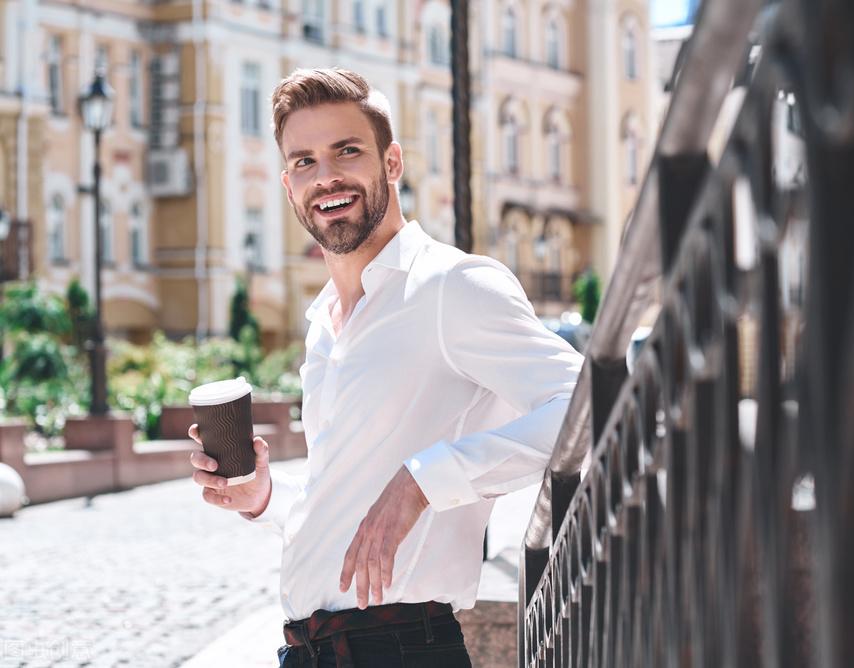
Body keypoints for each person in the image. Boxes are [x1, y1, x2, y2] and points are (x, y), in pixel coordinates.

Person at [188, 67, 583, 667]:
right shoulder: (324, 322)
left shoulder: (453, 285)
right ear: (288, 185)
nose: (326, 177)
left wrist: (425, 480)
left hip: (401, 649)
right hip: (307, 650)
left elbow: (588, 408)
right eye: (304, 162)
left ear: (392, 162)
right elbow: (342, 502)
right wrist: (265, 496)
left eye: (347, 151)